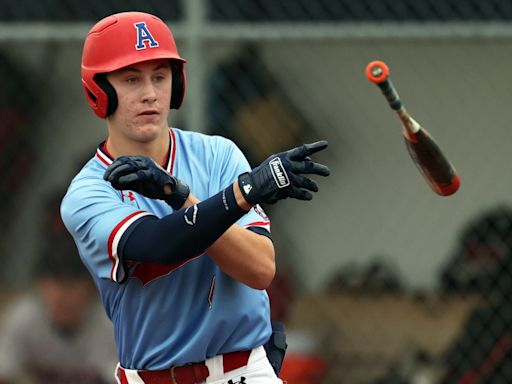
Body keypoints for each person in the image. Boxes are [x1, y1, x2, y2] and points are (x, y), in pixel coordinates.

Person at [61, 11, 330, 384]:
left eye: (160, 76)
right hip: (154, 377)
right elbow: (159, 245)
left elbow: (259, 270)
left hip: (246, 371)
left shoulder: (217, 155)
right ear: (99, 90)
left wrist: (181, 197)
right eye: (131, 79)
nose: (150, 93)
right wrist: (243, 192)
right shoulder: (88, 192)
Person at [0, 231, 117, 384]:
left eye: (72, 284)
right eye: (55, 283)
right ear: (41, 286)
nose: (62, 296)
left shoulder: (110, 326)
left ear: (91, 287)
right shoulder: (24, 320)